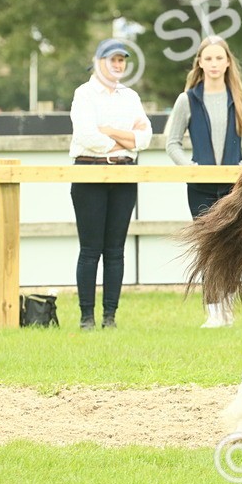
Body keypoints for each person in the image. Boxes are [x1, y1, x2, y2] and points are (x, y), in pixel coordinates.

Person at [166, 36, 242, 328]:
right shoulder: (187, 100)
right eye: (208, 58)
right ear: (199, 62)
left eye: (219, 58)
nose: (213, 64)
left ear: (228, 62)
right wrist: (190, 168)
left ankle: (228, 306)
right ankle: (213, 310)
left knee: (232, 244)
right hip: (200, 186)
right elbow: (172, 143)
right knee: (208, 247)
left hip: (236, 187)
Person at [69, 38, 153, 330]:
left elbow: (144, 138)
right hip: (89, 172)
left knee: (115, 249)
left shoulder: (130, 97)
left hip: (124, 173)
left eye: (121, 60)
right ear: (99, 62)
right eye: (112, 59)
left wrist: (109, 131)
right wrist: (125, 139)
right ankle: (86, 316)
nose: (118, 65)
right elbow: (86, 136)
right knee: (90, 249)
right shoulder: (84, 94)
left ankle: (110, 317)